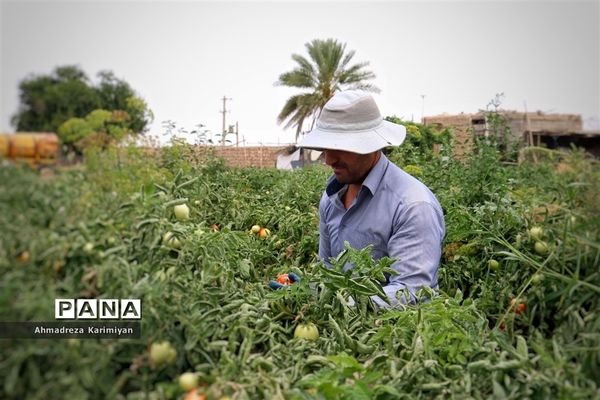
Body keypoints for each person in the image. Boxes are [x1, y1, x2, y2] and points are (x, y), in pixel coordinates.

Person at [297, 90, 445, 308]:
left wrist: (342, 304)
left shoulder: (412, 206)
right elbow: (328, 271)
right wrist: (305, 290)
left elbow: (412, 291)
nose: (328, 159)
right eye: (325, 148)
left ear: (372, 145)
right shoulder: (331, 199)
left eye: (339, 148)